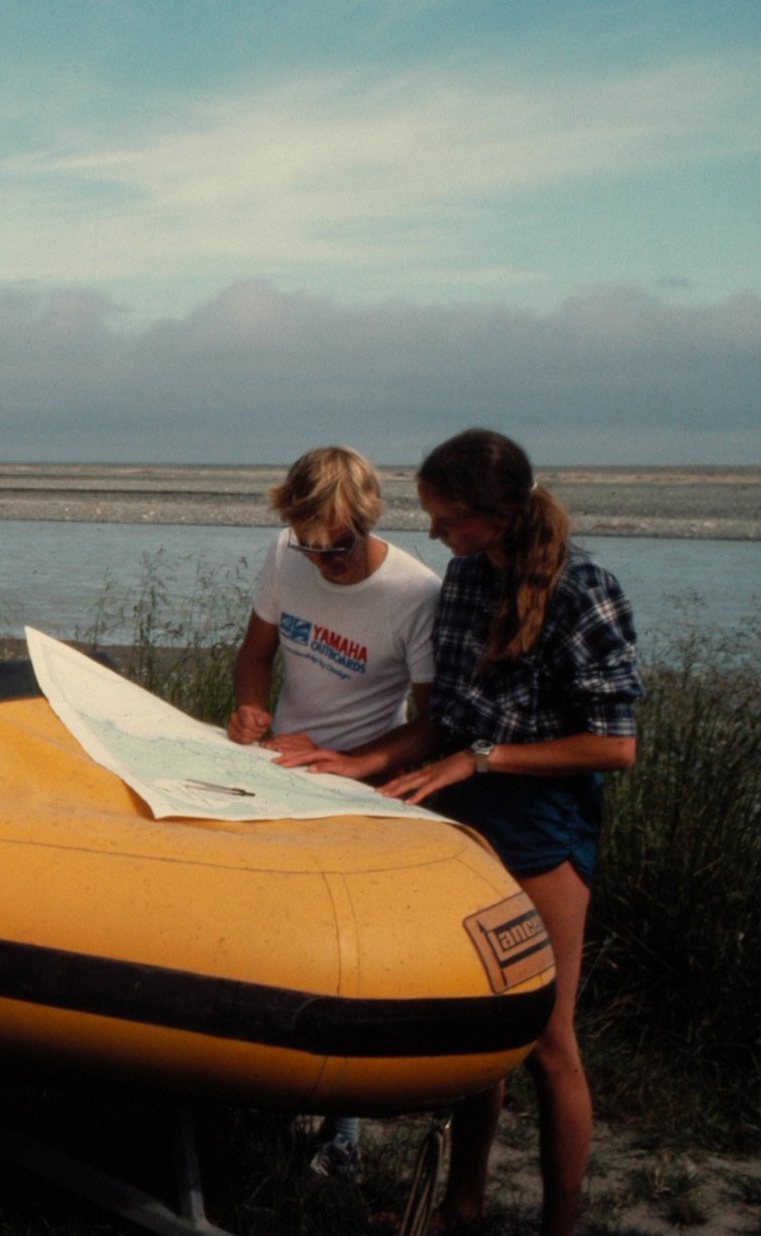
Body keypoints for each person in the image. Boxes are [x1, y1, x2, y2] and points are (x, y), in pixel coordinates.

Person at [278, 428, 641, 1236]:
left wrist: (480, 760)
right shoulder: (468, 582)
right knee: (484, 1022)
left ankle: (562, 1225)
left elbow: (614, 746)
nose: (435, 536)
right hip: (464, 804)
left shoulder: (588, 590)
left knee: (548, 1042)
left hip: (542, 819)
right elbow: (443, 722)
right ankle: (464, 1205)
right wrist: (359, 761)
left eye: (448, 522)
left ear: (501, 514)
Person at [225, 445, 441, 1181]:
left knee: (349, 958)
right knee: (270, 934)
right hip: (282, 768)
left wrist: (354, 763)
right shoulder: (287, 555)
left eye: (340, 547)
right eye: (312, 548)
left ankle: (342, 1130)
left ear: (370, 519)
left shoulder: (415, 591)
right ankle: (269, 1093)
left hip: (360, 783)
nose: (327, 563)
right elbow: (256, 653)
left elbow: (432, 723)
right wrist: (251, 707)